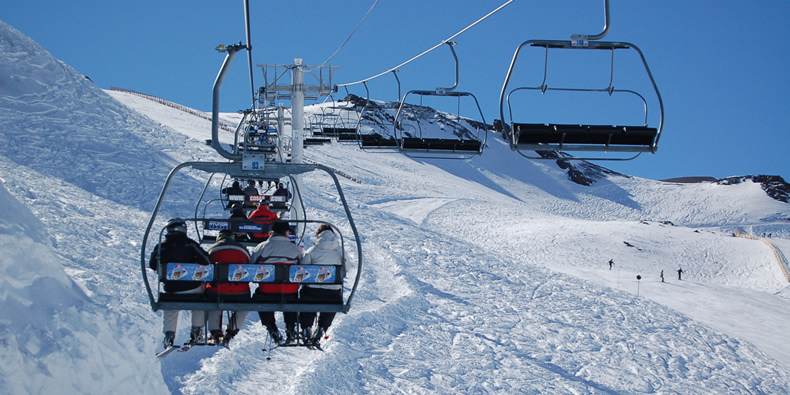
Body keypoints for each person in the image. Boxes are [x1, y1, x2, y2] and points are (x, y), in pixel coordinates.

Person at [149, 218, 211, 348]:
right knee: (199, 304)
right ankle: (196, 331)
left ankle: (169, 335)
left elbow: (152, 265)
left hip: (171, 289)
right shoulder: (190, 244)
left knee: (171, 309)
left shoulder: (161, 246)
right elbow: (206, 260)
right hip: (192, 288)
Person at [249, 221, 302, 344]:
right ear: (287, 232)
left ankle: (271, 326)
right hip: (289, 291)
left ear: (272, 232)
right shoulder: (296, 249)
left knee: (259, 295)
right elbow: (301, 268)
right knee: (292, 296)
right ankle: (290, 326)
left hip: (267, 290)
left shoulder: (262, 247)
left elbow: (251, 268)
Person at [299, 224, 350, 347]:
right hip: (332, 292)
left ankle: (306, 327)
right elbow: (347, 268)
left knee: (307, 300)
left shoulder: (313, 250)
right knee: (332, 303)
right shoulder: (340, 251)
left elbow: (303, 267)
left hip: (312, 291)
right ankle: (322, 328)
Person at [205, 230, 251, 345]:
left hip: (216, 290)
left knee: (213, 302)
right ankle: (232, 330)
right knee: (244, 305)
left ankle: (214, 330)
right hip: (240, 291)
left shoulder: (211, 250)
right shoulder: (242, 249)